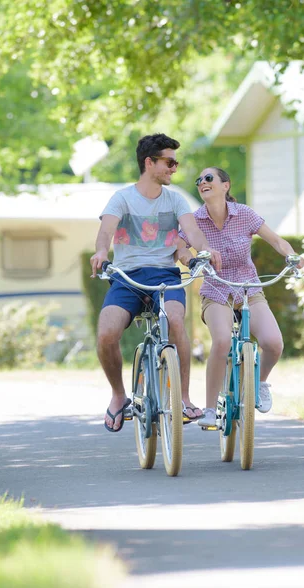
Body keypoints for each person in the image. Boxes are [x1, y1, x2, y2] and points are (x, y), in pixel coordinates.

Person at [90, 135, 222, 432]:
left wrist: (204, 251)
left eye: (176, 162)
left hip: (164, 274)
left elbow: (192, 231)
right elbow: (106, 230)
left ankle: (184, 399)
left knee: (176, 321)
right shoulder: (122, 198)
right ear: (149, 163)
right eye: (169, 162)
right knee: (106, 333)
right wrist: (101, 251)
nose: (174, 168)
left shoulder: (176, 199)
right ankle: (118, 396)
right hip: (127, 276)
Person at [176, 167, 304, 427]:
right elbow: (179, 247)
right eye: (199, 180)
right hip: (216, 289)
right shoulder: (194, 219)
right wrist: (191, 261)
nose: (203, 182)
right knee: (222, 341)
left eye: (209, 178)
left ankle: (259, 384)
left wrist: (292, 256)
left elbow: (277, 241)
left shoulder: (244, 214)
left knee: (273, 342)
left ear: (226, 185)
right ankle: (211, 409)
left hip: (249, 288)